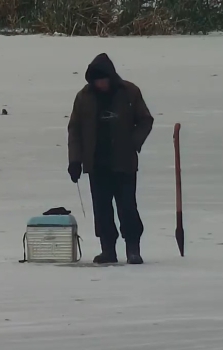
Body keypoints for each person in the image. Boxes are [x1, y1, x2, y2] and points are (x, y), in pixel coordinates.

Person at [67, 53, 154, 264]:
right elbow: (75, 130)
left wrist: (133, 143)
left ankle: (133, 248)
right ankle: (108, 250)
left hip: (124, 164)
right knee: (102, 210)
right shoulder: (83, 97)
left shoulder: (130, 92)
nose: (100, 84)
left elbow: (145, 120)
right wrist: (75, 161)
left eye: (103, 79)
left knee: (127, 207)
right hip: (97, 164)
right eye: (96, 80)